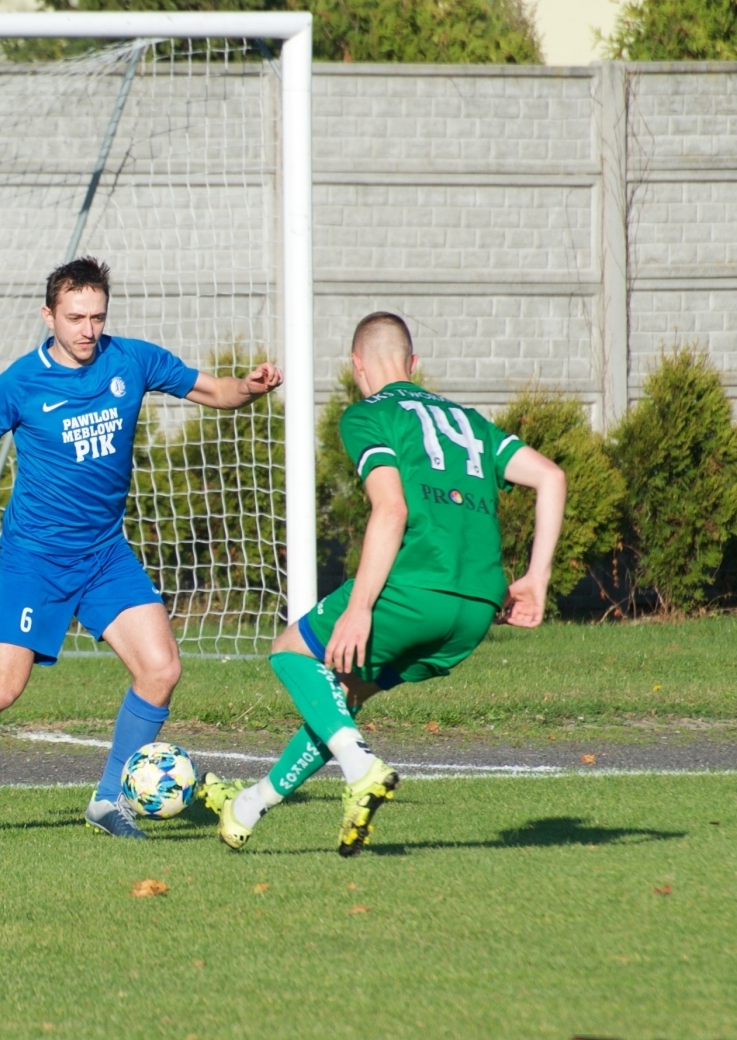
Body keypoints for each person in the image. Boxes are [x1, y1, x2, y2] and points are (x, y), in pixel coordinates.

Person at [0, 257, 282, 837]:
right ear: (49, 316)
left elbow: (214, 390)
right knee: (1, 691)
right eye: (74, 317)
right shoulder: (18, 384)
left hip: (103, 554)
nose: (88, 330)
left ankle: (106, 800)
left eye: (96, 316)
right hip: (34, 560)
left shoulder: (132, 359)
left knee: (162, 669)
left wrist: (250, 386)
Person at [199, 312, 568, 857]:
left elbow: (390, 508)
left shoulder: (368, 416)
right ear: (413, 364)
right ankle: (248, 805)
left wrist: (361, 608)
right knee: (340, 698)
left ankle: (361, 768)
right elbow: (551, 477)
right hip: (476, 611)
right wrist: (536, 577)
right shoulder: (469, 421)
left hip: (414, 585)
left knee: (290, 654)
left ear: (356, 365)